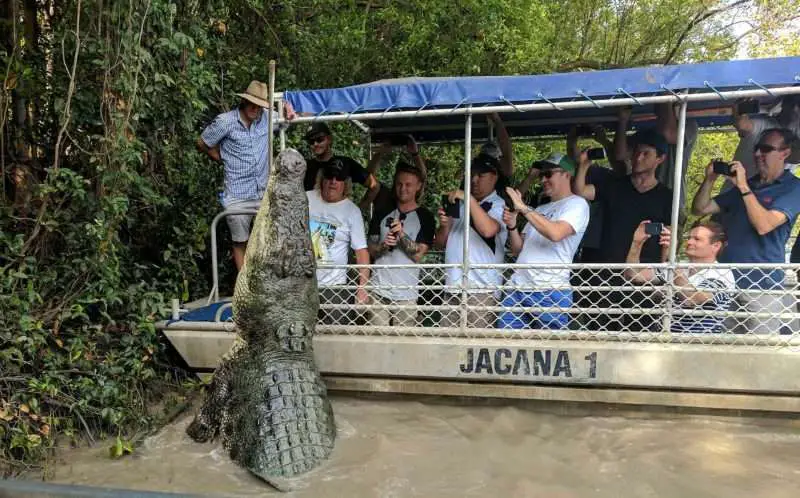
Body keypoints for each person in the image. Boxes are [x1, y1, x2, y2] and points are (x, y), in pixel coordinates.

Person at [692, 128, 800, 334]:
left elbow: (764, 225)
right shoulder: (748, 185)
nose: (758, 154)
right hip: (726, 283)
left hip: (762, 286)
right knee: (720, 349)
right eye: (757, 149)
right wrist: (710, 180)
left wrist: (743, 188)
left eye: (766, 149)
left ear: (784, 153)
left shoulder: (794, 188)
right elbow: (699, 209)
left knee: (758, 354)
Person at [574, 128, 673, 331]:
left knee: (639, 337)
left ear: (660, 159)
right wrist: (584, 166)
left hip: (642, 276)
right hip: (605, 275)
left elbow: (668, 237)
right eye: (636, 151)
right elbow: (581, 191)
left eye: (646, 153)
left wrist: (665, 274)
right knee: (600, 334)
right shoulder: (615, 185)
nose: (638, 157)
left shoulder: (666, 196)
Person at [197, 80, 296, 270]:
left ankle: (267, 282)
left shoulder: (268, 118)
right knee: (240, 241)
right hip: (237, 194)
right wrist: (221, 158)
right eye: (252, 103)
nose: (255, 108)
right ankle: (244, 286)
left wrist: (288, 111)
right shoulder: (225, 122)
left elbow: (288, 119)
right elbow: (202, 143)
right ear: (243, 101)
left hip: (264, 193)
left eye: (259, 105)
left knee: (271, 239)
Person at [498, 153, 589, 330]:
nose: (543, 180)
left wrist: (523, 208)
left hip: (550, 291)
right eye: (541, 175)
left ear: (567, 174)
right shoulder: (539, 209)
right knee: (506, 346)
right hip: (518, 288)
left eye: (548, 175)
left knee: (548, 351)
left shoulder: (577, 204)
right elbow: (519, 250)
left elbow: (556, 233)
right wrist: (512, 226)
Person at [434, 153, 507, 328]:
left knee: (476, 348)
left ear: (494, 176)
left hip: (483, 291)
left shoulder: (500, 204)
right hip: (453, 287)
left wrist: (468, 199)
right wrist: (444, 225)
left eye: (480, 175)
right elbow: (439, 244)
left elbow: (488, 230)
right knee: (449, 347)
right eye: (471, 175)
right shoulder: (459, 204)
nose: (474, 180)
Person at [624, 221, 735, 333]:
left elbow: (691, 299)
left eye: (697, 239)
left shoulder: (721, 272)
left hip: (696, 344)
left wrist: (670, 258)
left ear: (716, 246)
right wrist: (637, 243)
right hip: (662, 340)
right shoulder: (681, 266)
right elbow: (633, 275)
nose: (689, 242)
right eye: (689, 238)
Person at [367, 160, 435, 327]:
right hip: (378, 290)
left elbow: (418, 254)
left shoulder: (426, 217)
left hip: (407, 294)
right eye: (399, 184)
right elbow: (370, 248)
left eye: (408, 184)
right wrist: (383, 246)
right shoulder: (382, 211)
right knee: (376, 341)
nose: (403, 188)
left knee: (403, 345)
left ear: (418, 186)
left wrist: (401, 235)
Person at [307, 160, 370, 325]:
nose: (333, 182)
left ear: (346, 184)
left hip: (334, 287)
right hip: (303, 283)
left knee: (335, 333)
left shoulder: (352, 211)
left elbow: (361, 251)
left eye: (339, 178)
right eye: (329, 176)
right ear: (321, 179)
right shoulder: (305, 198)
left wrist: (362, 287)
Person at [303, 122, 379, 195]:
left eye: (319, 139)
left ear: (329, 139)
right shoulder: (304, 167)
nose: (315, 144)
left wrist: (360, 207)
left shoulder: (345, 163)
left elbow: (374, 185)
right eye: (311, 141)